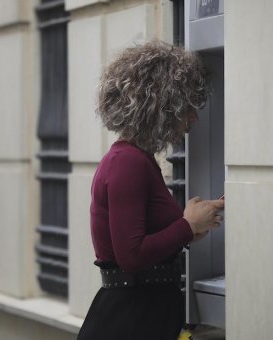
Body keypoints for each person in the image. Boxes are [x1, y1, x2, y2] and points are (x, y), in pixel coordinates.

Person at [76, 40, 225, 340]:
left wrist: (193, 226)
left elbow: (143, 238)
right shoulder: (128, 163)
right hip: (131, 319)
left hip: (139, 313)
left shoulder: (136, 158)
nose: (194, 118)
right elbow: (130, 256)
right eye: (187, 107)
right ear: (160, 106)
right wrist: (186, 225)